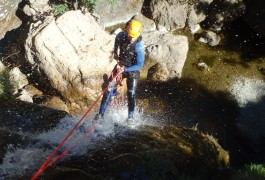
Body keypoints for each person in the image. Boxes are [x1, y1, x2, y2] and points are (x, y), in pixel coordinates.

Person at [95, 20, 145, 123]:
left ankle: (130, 118)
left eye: (134, 37)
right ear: (126, 31)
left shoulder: (139, 45)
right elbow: (116, 48)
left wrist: (125, 69)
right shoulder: (120, 36)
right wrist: (116, 57)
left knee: (131, 92)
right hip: (121, 66)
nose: (132, 39)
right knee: (108, 88)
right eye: (130, 36)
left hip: (132, 69)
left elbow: (139, 65)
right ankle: (100, 115)